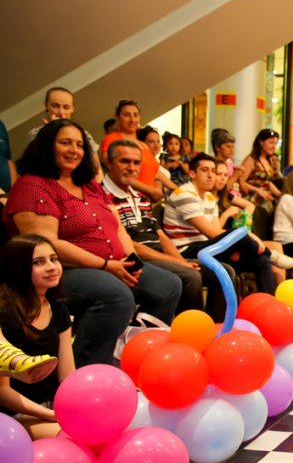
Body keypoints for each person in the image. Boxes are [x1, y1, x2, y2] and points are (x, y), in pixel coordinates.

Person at [4, 120, 181, 366]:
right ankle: (87, 368)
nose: (74, 150)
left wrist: (132, 260)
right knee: (116, 295)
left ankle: (135, 355)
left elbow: (117, 226)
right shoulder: (32, 186)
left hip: (112, 264)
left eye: (79, 145)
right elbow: (47, 243)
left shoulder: (90, 185)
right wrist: (106, 265)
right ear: (46, 146)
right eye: (65, 143)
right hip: (59, 270)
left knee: (168, 285)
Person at [103, 140, 234, 322]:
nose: (132, 167)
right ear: (109, 162)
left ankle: (218, 327)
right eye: (125, 161)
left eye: (136, 162)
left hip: (162, 256)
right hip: (134, 260)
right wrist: (178, 263)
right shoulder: (102, 196)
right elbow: (128, 245)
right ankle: (194, 331)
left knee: (223, 271)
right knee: (191, 276)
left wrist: (182, 261)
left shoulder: (140, 197)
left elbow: (161, 236)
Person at [162, 154, 277, 294]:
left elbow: (217, 230)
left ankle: (268, 304)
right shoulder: (184, 194)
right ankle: (271, 254)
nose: (211, 175)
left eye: (213, 171)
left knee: (262, 261)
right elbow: (212, 233)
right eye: (205, 170)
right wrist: (237, 240)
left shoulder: (209, 197)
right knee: (237, 233)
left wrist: (234, 247)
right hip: (186, 249)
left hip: (207, 247)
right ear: (192, 174)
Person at [0, 235, 74, 439]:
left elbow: (67, 375)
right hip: (13, 414)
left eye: (54, 259)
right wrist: (51, 415)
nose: (52, 267)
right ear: (18, 267)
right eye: (38, 262)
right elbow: (3, 392)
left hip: (50, 408)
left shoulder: (58, 310)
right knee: (71, 438)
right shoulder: (4, 313)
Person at [99, 100, 174, 201]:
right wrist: (151, 191)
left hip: (149, 200)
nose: (132, 120)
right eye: (127, 115)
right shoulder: (111, 139)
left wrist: (176, 189)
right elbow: (116, 171)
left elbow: (155, 172)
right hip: (127, 198)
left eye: (136, 115)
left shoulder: (143, 145)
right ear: (117, 117)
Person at [25, 87, 102, 177]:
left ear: (72, 109)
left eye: (66, 107)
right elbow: (36, 166)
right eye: (55, 106)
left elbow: (96, 170)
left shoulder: (84, 134)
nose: (61, 112)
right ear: (46, 105)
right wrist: (51, 131)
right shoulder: (35, 133)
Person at [238, 129, 283, 204]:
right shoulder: (251, 160)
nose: (274, 147)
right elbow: (241, 181)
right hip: (252, 201)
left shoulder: (269, 160)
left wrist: (281, 195)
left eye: (275, 144)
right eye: (271, 143)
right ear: (261, 142)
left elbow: (267, 182)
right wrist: (257, 190)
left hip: (266, 200)